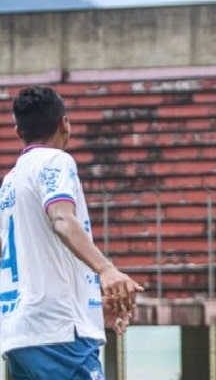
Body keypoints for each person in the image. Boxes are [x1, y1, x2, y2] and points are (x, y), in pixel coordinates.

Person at [0, 86, 144, 379]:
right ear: (64, 123)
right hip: (58, 336)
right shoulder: (54, 161)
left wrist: (88, 307)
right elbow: (62, 219)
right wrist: (107, 270)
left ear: (18, 131)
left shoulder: (10, 182)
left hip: (23, 333)